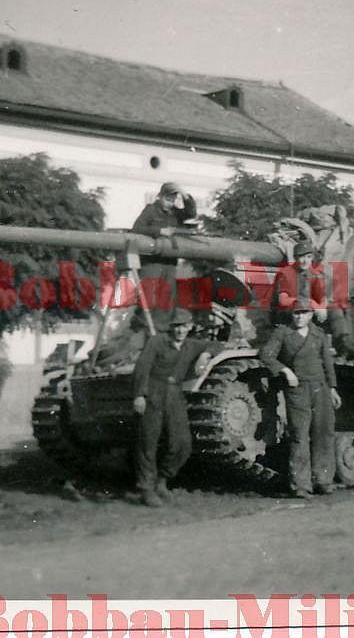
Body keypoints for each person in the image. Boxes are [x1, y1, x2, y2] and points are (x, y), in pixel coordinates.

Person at [132, 308, 219, 507]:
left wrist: (205, 355)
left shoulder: (191, 345)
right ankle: (147, 489)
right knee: (148, 443)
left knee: (182, 444)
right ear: (171, 327)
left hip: (174, 395)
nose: (180, 331)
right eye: (177, 326)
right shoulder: (157, 342)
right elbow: (142, 368)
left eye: (184, 326)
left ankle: (162, 480)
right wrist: (139, 395)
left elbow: (217, 344)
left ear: (190, 327)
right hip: (153, 393)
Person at [258, 303, 342, 498]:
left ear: (311, 314)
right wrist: (286, 371)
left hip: (320, 387)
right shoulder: (283, 333)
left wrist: (333, 389)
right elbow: (266, 355)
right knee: (299, 435)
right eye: (296, 313)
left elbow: (327, 364)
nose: (299, 317)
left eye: (303, 313)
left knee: (324, 432)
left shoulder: (318, 334)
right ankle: (301, 485)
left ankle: (324, 480)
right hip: (298, 388)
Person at [130, 182, 198, 331]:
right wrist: (160, 231)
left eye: (173, 200)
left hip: (169, 263)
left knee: (167, 299)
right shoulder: (150, 210)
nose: (170, 203)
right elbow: (137, 228)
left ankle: (161, 332)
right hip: (152, 262)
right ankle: (142, 331)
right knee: (148, 299)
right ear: (160, 197)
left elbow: (191, 213)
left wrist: (185, 195)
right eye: (168, 199)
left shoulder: (175, 213)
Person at [271, 241, 327, 324]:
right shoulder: (285, 273)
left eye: (309, 257)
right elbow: (283, 301)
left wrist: (322, 308)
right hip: (287, 312)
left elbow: (322, 296)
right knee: (301, 311)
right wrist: (311, 303)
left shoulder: (315, 274)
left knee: (335, 312)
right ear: (295, 258)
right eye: (302, 257)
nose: (305, 261)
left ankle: (343, 336)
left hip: (307, 311)